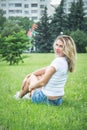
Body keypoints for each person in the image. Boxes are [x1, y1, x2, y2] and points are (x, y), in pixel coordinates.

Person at [14, 35, 77, 106]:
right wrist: (28, 75)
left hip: (45, 99)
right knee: (36, 77)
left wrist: (31, 86)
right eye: (56, 45)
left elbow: (42, 83)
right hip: (58, 101)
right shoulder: (65, 61)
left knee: (32, 77)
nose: (57, 48)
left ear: (67, 49)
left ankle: (19, 96)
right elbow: (46, 69)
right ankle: (28, 94)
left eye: (61, 46)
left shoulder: (58, 61)